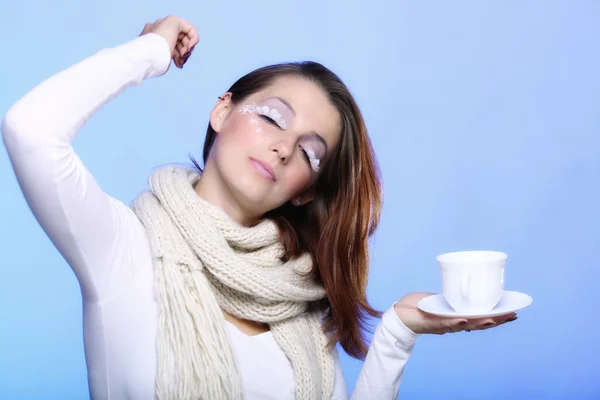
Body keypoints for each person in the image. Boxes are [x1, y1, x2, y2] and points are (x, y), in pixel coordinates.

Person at [2, 15, 516, 400]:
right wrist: (151, 50)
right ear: (222, 110)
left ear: (304, 190)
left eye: (311, 151)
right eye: (271, 117)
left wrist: (398, 332)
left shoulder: (301, 304)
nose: (284, 146)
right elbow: (31, 129)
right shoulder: (121, 247)